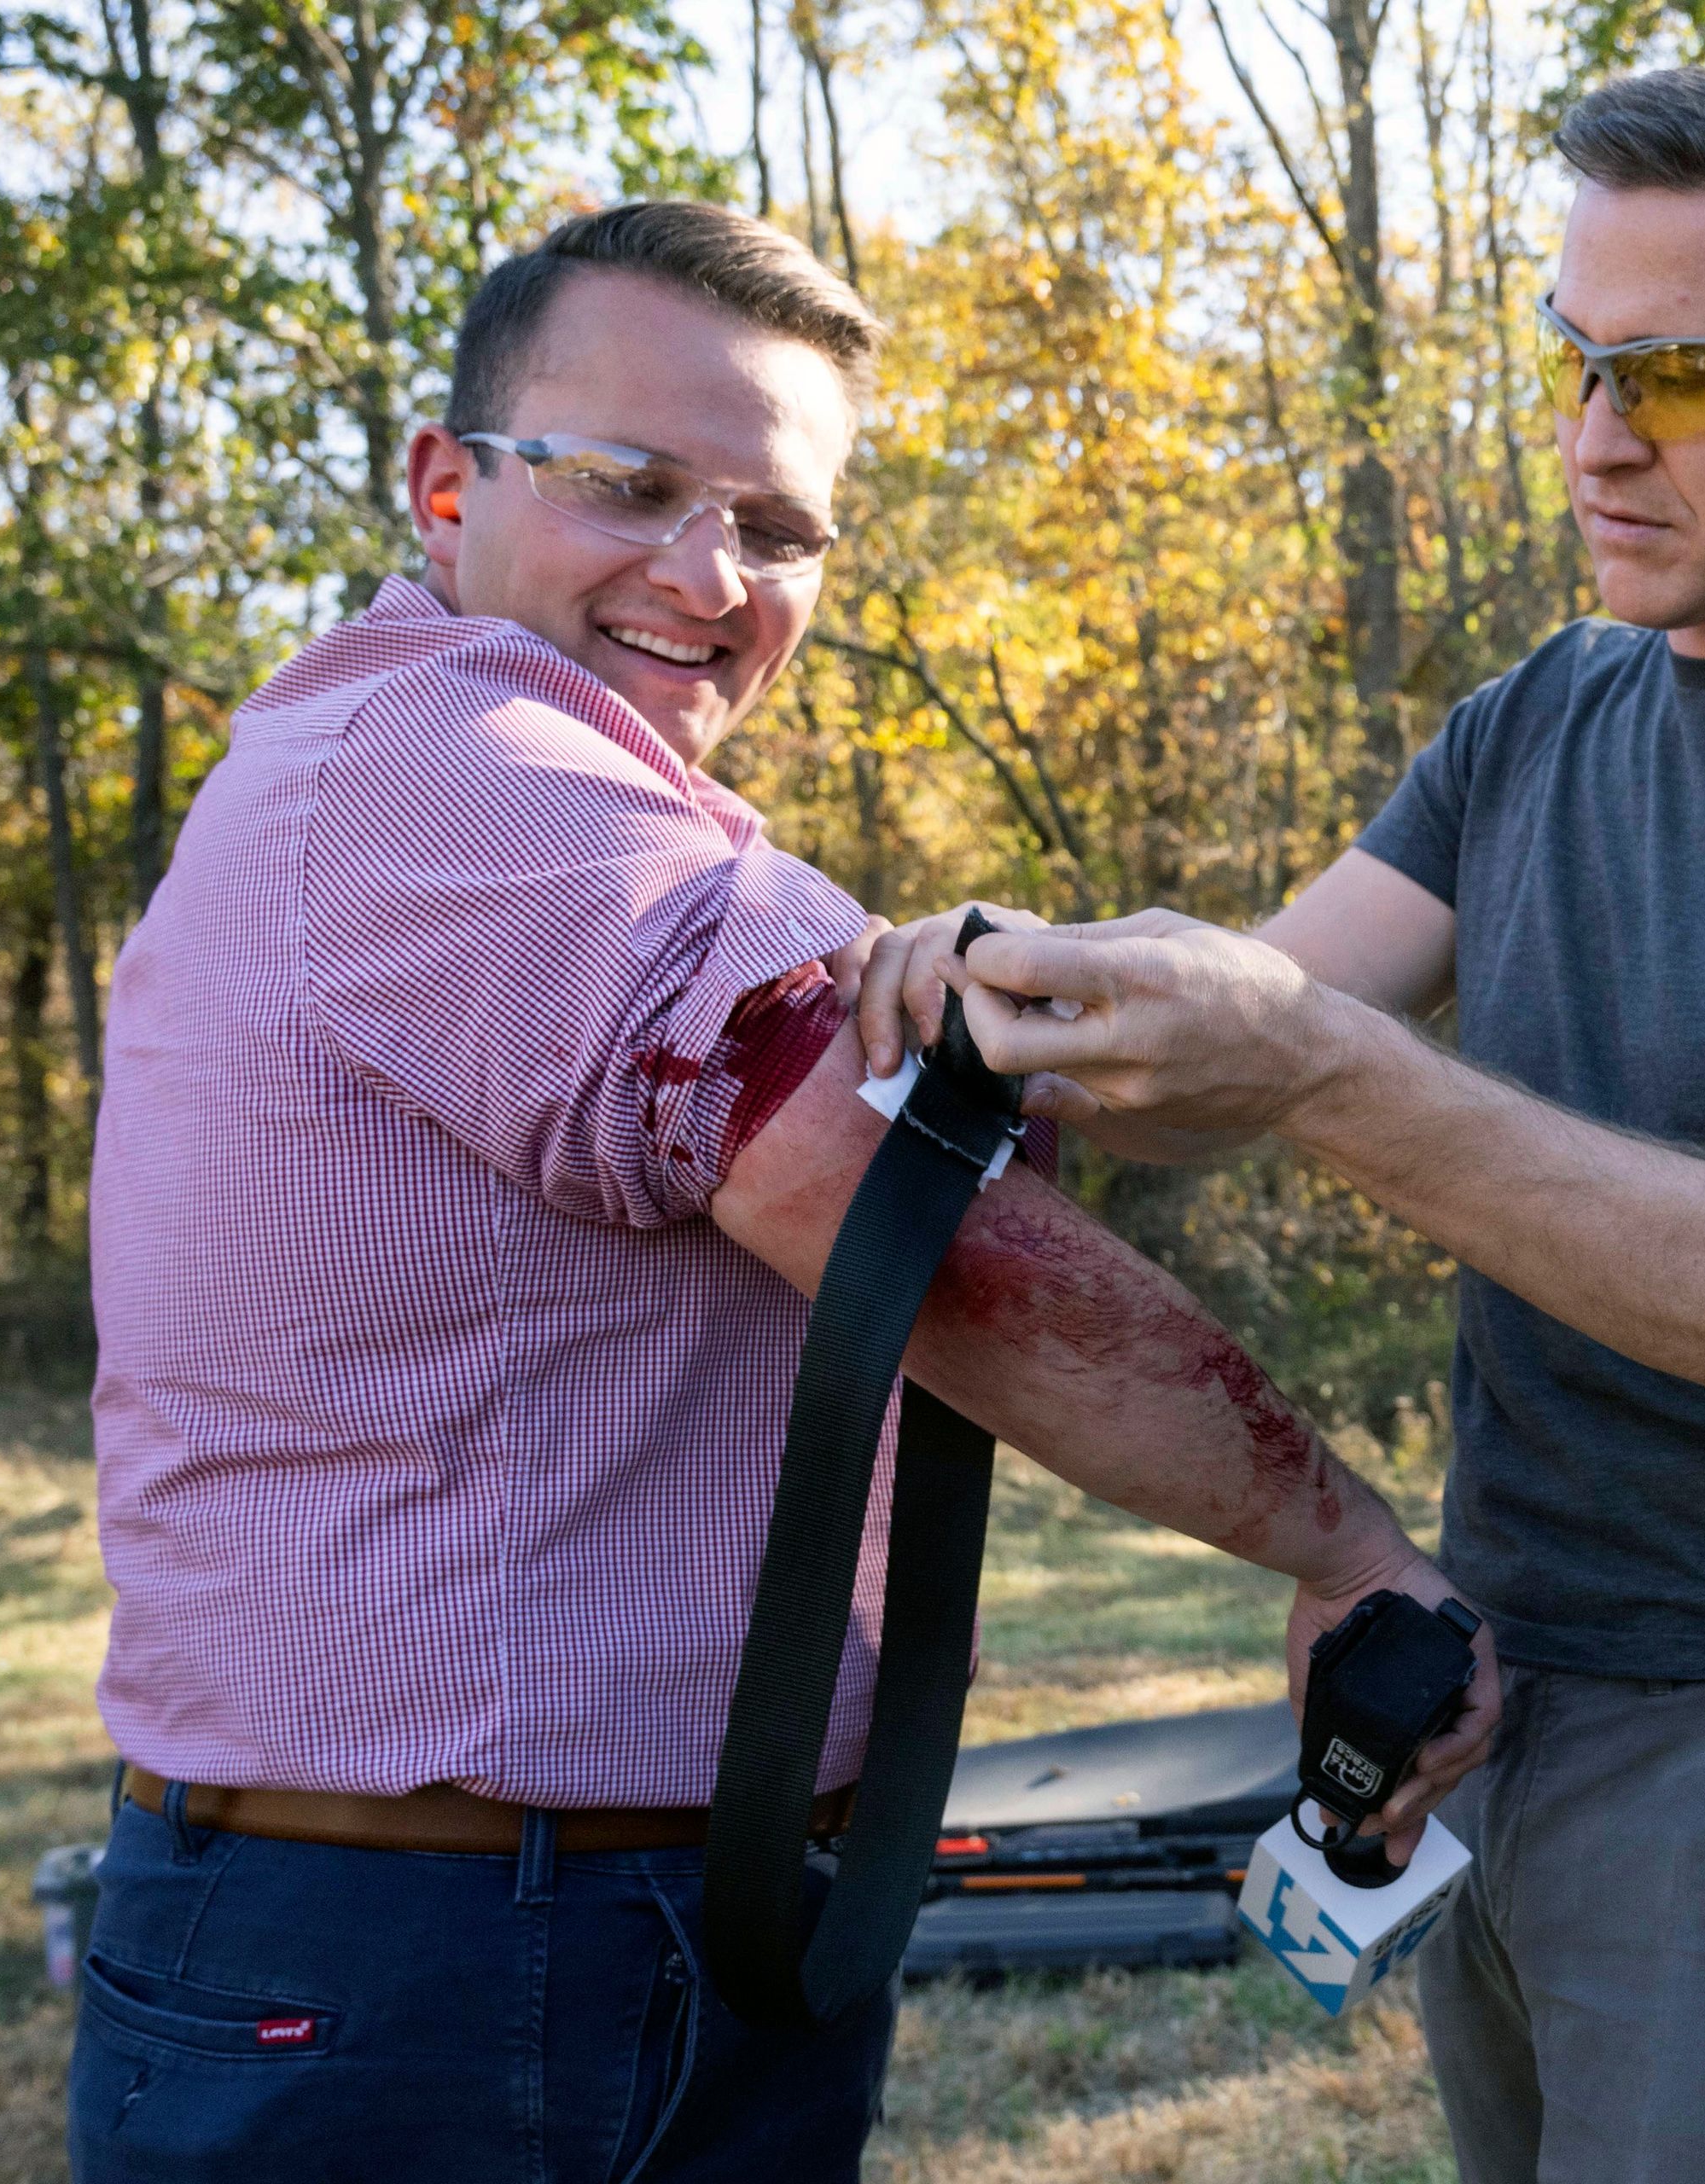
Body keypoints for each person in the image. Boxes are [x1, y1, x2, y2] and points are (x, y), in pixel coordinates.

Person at [73, 200, 1494, 2184]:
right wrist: (1348, 1548)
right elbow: (911, 1230)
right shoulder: (468, 766)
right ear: (444, 483)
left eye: (779, 527)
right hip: (459, 1964)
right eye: (634, 486)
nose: (708, 574)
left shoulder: (460, 771)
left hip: (536, 1927)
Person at [859, 67, 1705, 2184]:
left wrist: (1322, 1068)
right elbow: (1208, 1049)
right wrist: (997, 983)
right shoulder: (1535, 716)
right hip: (1480, 1700)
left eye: (1689, 374)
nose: (1595, 438)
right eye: (1576, 360)